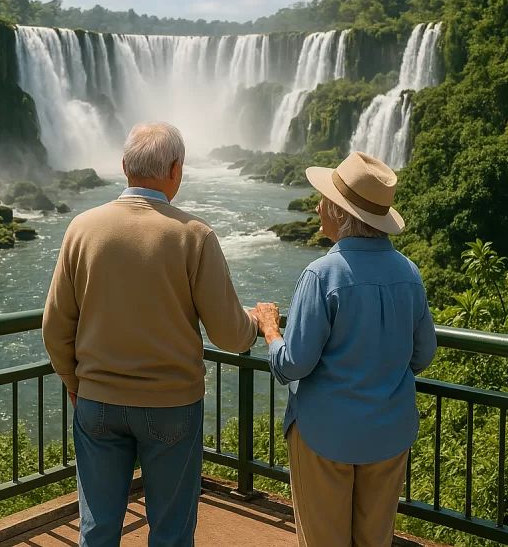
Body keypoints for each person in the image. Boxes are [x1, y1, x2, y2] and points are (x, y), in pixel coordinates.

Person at [43, 122, 261, 547]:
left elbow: (55, 326)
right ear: (176, 169)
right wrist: (257, 323)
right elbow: (231, 335)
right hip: (171, 406)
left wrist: (75, 382)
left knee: (98, 529)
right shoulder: (194, 236)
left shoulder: (82, 229)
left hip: (97, 402)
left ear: (124, 166)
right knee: (171, 532)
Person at [253, 151, 437, 547]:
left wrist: (269, 330)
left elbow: (293, 364)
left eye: (323, 200)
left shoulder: (322, 274)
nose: (316, 206)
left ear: (340, 213)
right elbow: (422, 355)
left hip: (325, 437)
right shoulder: (409, 273)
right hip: (389, 433)